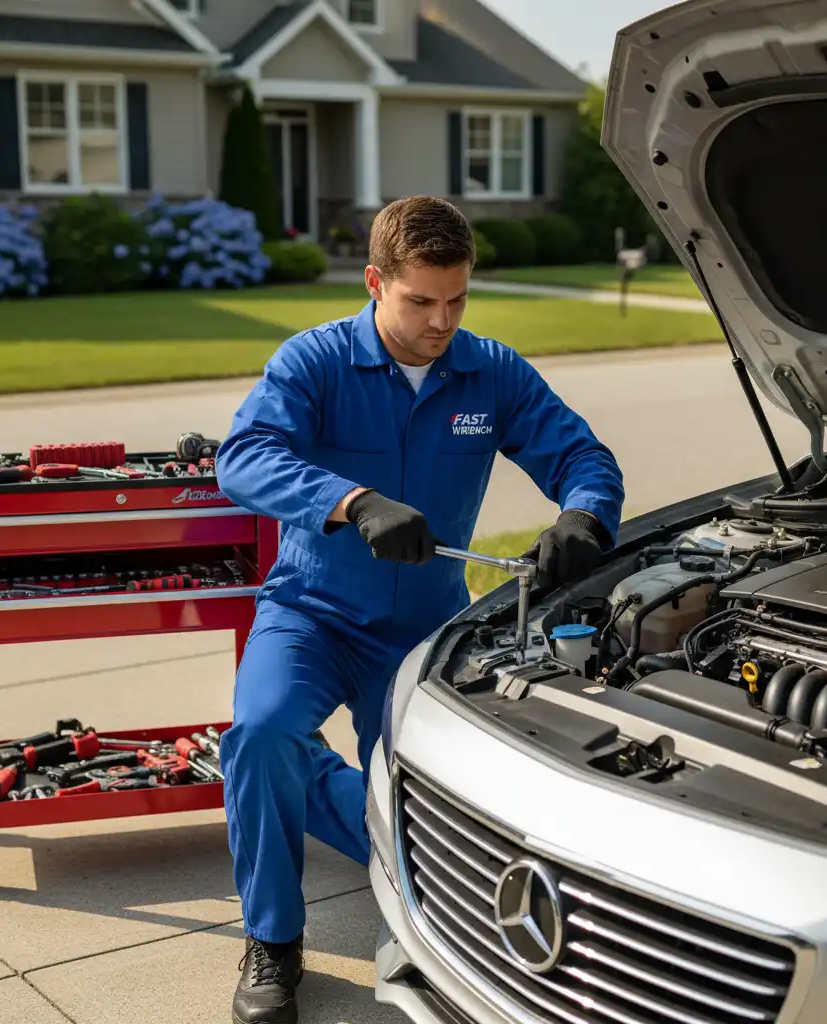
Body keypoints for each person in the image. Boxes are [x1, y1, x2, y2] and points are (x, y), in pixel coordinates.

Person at [215, 195, 625, 1024]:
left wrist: (585, 513)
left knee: (415, 807)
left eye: (458, 299)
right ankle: (272, 941)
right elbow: (243, 459)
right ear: (375, 282)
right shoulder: (314, 362)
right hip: (311, 614)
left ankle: (341, 805)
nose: (442, 320)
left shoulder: (491, 371)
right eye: (421, 301)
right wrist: (352, 501)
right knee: (260, 735)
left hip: (427, 629)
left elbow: (583, 454)